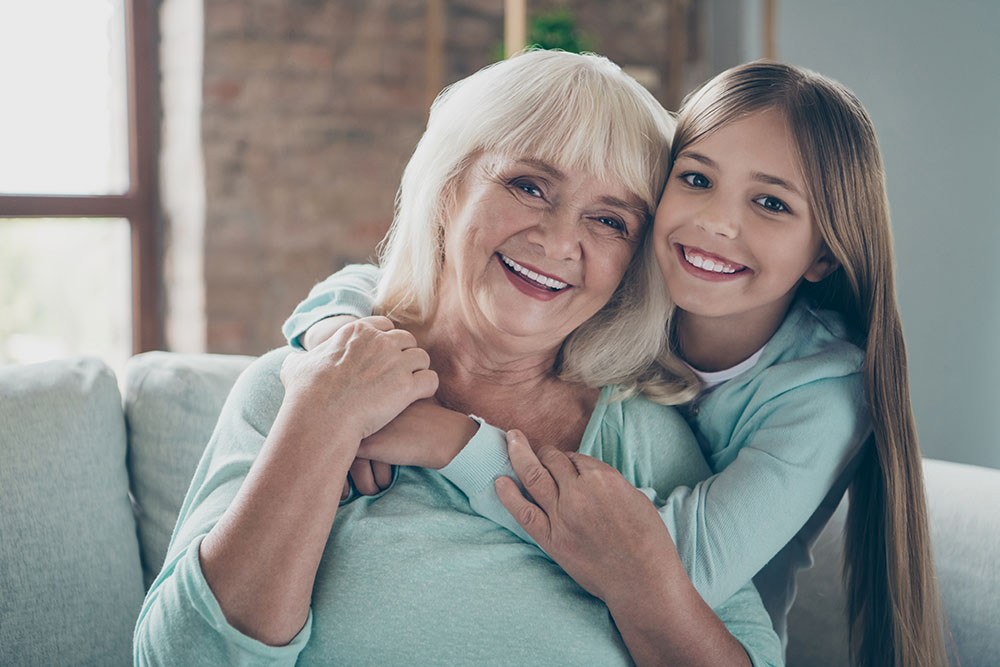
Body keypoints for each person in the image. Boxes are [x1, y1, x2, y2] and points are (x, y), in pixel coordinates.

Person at [284, 61, 949, 666]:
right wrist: (339, 342)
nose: (717, 222)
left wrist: (446, 439)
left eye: (771, 202)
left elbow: (661, 565)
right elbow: (388, 282)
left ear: (823, 255)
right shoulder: (629, 291)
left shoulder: (823, 397)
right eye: (696, 179)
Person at [133, 50, 782, 666]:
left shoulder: (644, 438)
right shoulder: (296, 386)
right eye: (530, 186)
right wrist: (321, 419)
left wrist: (640, 585)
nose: (558, 240)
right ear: (448, 189)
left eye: (610, 221)